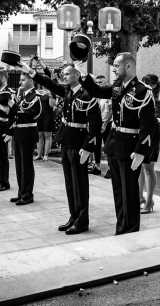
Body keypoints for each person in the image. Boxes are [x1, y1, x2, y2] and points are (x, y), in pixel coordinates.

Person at [75, 53, 155, 235]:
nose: (113, 69)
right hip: (115, 144)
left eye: (117, 66)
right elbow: (96, 91)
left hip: (130, 146)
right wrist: (84, 74)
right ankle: (121, 227)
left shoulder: (143, 91)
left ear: (128, 67)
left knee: (130, 191)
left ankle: (131, 228)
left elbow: (147, 125)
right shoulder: (117, 86)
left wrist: (141, 150)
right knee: (118, 191)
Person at [22, 62, 101, 234]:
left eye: (67, 74)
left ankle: (82, 221)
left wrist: (88, 146)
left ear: (77, 75)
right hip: (66, 140)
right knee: (70, 183)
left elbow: (95, 123)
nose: (63, 76)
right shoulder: (67, 91)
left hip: (79, 143)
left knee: (80, 184)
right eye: (64, 74)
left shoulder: (88, 94)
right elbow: (49, 83)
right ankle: (73, 216)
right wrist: (30, 71)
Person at [4, 73, 42, 205]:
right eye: (20, 80)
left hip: (28, 133)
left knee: (26, 166)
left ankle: (27, 195)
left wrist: (12, 106)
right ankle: (21, 192)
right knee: (19, 166)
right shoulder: (23, 96)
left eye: (23, 80)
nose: (20, 82)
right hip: (19, 133)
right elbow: (16, 115)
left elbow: (30, 115)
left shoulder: (36, 96)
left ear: (31, 81)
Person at [138, 74, 160, 214]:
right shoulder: (143, 97)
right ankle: (140, 198)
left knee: (148, 167)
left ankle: (149, 201)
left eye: (146, 83)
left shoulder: (157, 100)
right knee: (141, 166)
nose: (143, 85)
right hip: (142, 133)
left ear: (154, 85)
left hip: (153, 134)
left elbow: (154, 119)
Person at [88, 75, 110, 176]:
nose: (98, 84)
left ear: (105, 83)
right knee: (96, 145)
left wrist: (105, 124)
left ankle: (110, 168)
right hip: (96, 123)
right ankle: (97, 166)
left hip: (107, 123)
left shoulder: (108, 95)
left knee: (107, 146)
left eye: (101, 82)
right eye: (97, 82)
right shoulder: (95, 95)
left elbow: (111, 112)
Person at [33, 64, 56, 161]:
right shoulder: (38, 91)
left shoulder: (52, 92)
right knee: (39, 135)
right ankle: (39, 154)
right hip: (39, 115)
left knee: (47, 135)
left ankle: (46, 154)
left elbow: (52, 105)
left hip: (48, 115)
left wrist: (50, 95)